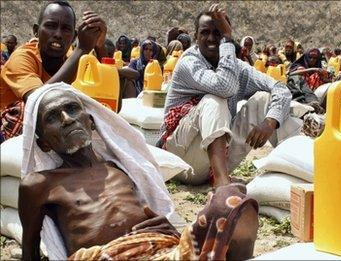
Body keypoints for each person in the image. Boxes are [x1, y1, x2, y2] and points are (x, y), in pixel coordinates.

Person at [19, 83, 259, 260]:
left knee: (233, 201)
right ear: (44, 144)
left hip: (161, 250)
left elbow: (150, 212)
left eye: (72, 109)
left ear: (91, 121)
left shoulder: (120, 168)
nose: (67, 119)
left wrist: (170, 230)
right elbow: (30, 250)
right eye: (53, 117)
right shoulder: (40, 184)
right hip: (105, 257)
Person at [158, 4, 301, 188]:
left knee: (265, 99)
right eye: (205, 33)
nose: (211, 39)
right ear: (195, 37)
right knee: (214, 100)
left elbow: (280, 88)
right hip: (180, 159)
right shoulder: (189, 62)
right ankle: (222, 183)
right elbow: (223, 86)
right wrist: (226, 38)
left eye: (217, 33)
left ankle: (296, 171)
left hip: (215, 161)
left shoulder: (237, 67)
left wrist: (270, 122)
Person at [0, 0, 106, 141]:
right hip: (10, 133)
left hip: (51, 130)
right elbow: (40, 101)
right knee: (23, 110)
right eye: (51, 26)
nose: (58, 34)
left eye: (66, 29)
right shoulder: (21, 57)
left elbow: (105, 93)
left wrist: (99, 45)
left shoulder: (73, 58)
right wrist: (82, 49)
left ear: (74, 36)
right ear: (36, 31)